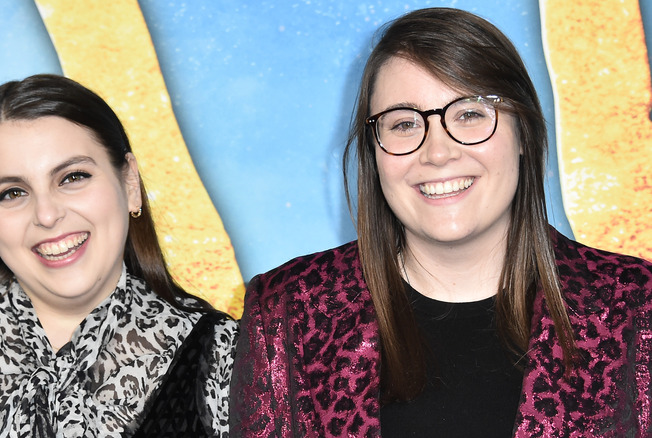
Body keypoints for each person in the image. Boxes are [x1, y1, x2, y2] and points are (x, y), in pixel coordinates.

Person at [230, 7, 652, 437]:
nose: (437, 152)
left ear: (523, 132)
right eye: (404, 123)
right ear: (374, 155)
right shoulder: (290, 311)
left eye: (469, 114)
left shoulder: (636, 306)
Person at [0, 74, 237, 437]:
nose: (46, 215)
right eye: (12, 193)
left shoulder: (228, 360)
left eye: (72, 177)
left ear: (129, 184)